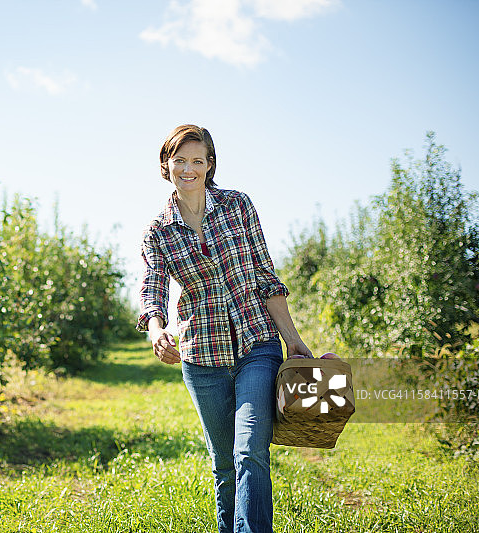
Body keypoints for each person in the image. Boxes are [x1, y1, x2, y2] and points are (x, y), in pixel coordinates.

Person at [136, 124, 312, 533]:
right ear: (166, 166)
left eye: (197, 160)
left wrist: (294, 341)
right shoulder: (158, 230)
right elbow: (153, 286)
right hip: (203, 358)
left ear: (210, 165)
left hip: (257, 344)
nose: (188, 168)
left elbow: (266, 277)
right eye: (180, 160)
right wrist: (157, 330)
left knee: (249, 450)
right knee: (224, 465)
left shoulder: (237, 206)